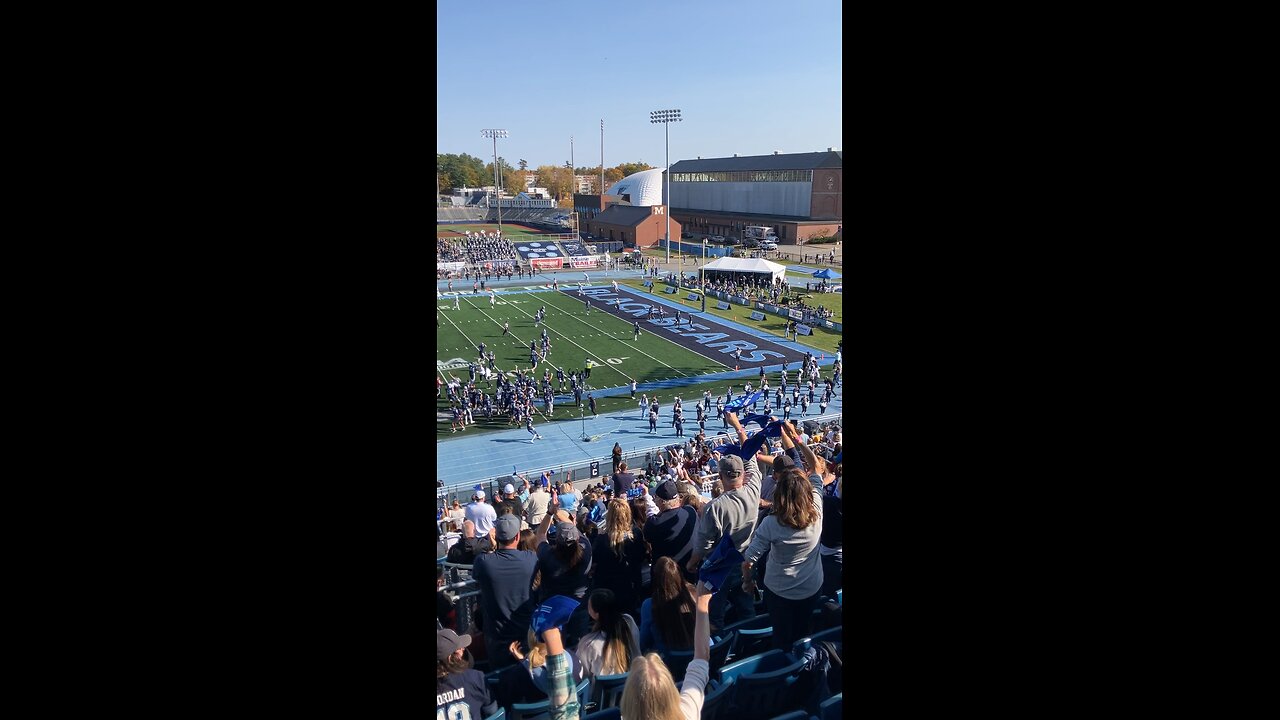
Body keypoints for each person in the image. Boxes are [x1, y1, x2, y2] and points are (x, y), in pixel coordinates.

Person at [741, 421, 825, 652]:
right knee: (804, 628)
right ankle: (805, 659)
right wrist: (796, 437)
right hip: (811, 584)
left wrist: (748, 582)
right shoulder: (817, 507)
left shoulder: (771, 523)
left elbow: (749, 559)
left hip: (780, 590)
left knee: (782, 635)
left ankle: (786, 667)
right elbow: (816, 467)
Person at [687, 412, 763, 634]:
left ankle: (720, 651)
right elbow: (749, 457)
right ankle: (752, 642)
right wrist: (737, 425)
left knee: (715, 616)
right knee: (746, 607)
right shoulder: (753, 488)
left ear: (720, 476)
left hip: (722, 565)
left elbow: (703, 545)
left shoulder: (714, 507)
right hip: (747, 559)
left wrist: (692, 564)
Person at [618, 581, 714, 720]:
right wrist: (702, 601)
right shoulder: (688, 712)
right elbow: (702, 657)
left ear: (627, 700)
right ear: (671, 691)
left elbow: (701, 658)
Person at [472, 514, 540, 670]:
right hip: (525, 633)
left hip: (496, 637)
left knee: (501, 681)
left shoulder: (483, 562)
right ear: (517, 536)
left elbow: (478, 574)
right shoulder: (530, 559)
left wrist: (493, 547)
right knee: (529, 674)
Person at [536, 504, 595, 646]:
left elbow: (540, 534)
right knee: (580, 645)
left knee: (557, 646)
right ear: (576, 539)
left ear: (556, 540)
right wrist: (559, 514)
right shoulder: (585, 549)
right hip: (579, 605)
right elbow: (573, 528)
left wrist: (550, 512)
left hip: (555, 607)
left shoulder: (546, 555)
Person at [588, 499, 647, 616]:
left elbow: (594, 562)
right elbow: (641, 556)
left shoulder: (602, 539)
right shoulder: (636, 534)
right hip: (631, 585)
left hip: (609, 588)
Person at [576, 587, 642, 691]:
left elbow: (581, 676)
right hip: (633, 689)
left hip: (601, 700)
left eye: (589, 606)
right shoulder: (629, 622)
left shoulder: (589, 643)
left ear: (596, 614)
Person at [637, 556, 695, 653]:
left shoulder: (649, 605)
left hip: (668, 661)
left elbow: (643, 641)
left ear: (655, 579)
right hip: (697, 654)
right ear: (679, 575)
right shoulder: (694, 594)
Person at [437, 629, 499, 719]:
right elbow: (494, 715)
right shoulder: (476, 678)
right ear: (450, 657)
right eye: (459, 648)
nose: (463, 649)